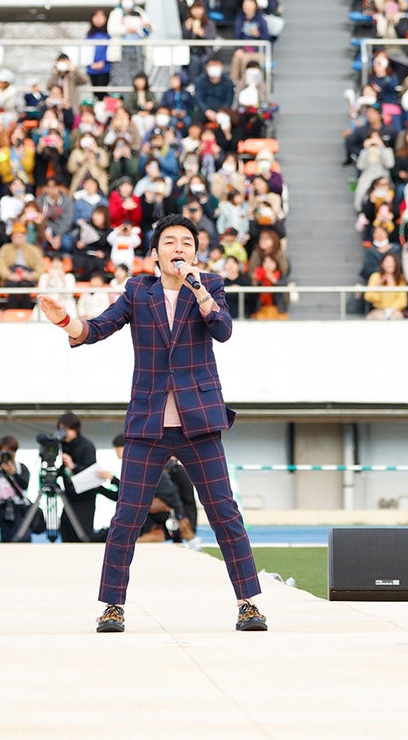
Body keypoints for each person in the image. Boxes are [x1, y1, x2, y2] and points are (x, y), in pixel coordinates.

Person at [38, 213, 265, 634]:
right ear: (155, 254)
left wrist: (199, 292)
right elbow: (100, 327)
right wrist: (66, 322)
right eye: (169, 242)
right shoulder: (137, 291)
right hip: (149, 424)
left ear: (195, 252)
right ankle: (112, 607)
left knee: (224, 514)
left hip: (200, 422)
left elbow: (223, 331)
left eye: (186, 242)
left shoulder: (210, 285)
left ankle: (248, 603)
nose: (178, 248)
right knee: (127, 516)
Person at [99, 433, 199, 544]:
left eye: (118, 447)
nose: (116, 451)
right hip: (155, 513)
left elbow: (178, 496)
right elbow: (125, 494)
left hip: (165, 511)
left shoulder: (146, 464)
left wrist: (183, 518)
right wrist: (100, 488)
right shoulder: (136, 465)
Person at [0, 435, 41, 543]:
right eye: (5, 452)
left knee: (21, 539)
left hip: (15, 509)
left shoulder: (20, 468)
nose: (8, 456)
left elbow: (24, 485)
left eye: (11, 452)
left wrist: (12, 473)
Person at [55, 410, 100, 542]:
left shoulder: (86, 446)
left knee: (82, 535)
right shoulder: (63, 445)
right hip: (69, 496)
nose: (64, 434)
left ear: (75, 429)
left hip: (85, 498)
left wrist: (73, 466)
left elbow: (91, 473)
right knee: (65, 530)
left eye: (67, 430)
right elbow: (63, 469)